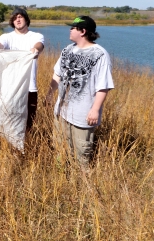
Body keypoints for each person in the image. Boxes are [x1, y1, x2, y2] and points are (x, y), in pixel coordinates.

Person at [46, 16, 114, 168]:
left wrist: (95, 110)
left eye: (73, 28)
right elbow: (57, 74)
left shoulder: (100, 55)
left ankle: (81, 185)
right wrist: (50, 94)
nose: (69, 30)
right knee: (61, 148)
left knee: (82, 154)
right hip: (62, 111)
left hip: (82, 115)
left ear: (83, 31)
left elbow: (103, 86)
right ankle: (62, 177)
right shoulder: (68, 49)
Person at [0, 8, 44, 130]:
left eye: (20, 17)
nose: (17, 19)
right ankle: (8, 147)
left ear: (26, 19)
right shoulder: (7, 37)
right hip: (10, 88)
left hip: (29, 87)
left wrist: (36, 49)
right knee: (10, 120)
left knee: (29, 121)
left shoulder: (36, 36)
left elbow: (39, 45)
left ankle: (27, 146)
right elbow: (0, 44)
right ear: (12, 22)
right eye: (15, 18)